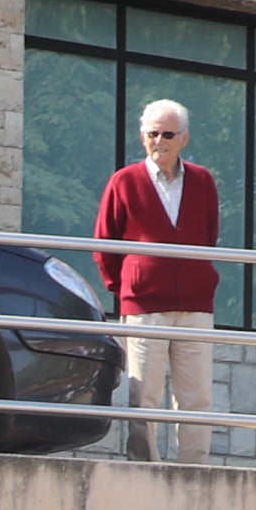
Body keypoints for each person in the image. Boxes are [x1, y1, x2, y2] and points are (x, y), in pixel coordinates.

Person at [90, 96, 222, 466]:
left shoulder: (203, 181)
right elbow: (104, 243)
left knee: (196, 395)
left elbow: (208, 236)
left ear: (184, 138)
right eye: (152, 133)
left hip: (195, 303)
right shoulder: (124, 181)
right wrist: (127, 287)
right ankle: (144, 467)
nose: (159, 141)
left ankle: (194, 468)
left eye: (168, 133)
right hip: (144, 302)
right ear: (142, 136)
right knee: (143, 393)